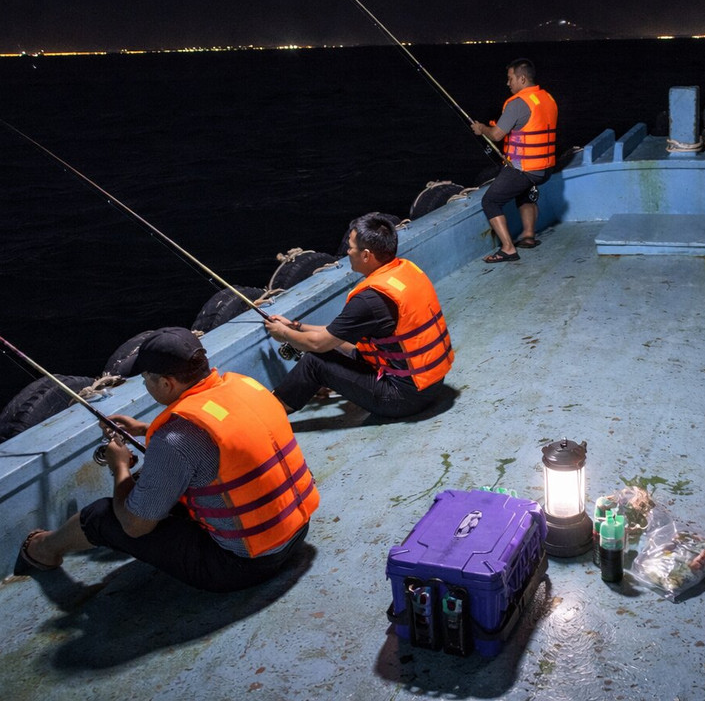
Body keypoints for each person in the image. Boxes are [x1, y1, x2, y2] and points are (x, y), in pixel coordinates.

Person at [16, 327, 318, 592]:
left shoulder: (176, 438)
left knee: (102, 515)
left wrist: (119, 467)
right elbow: (227, 433)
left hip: (242, 566)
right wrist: (145, 429)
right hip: (296, 532)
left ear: (166, 384)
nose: (146, 385)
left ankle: (41, 551)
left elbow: (135, 526)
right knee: (157, 485)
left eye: (146, 379)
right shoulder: (245, 386)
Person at [264, 212, 453, 418]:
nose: (347, 252)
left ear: (366, 255)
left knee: (314, 362)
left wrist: (283, 334)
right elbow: (335, 334)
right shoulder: (404, 272)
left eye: (351, 247)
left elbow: (319, 344)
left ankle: (270, 413)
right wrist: (297, 327)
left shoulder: (369, 300)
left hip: (403, 398)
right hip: (431, 383)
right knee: (345, 347)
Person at [471, 58, 558, 263]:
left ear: (522, 79)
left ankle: (508, 249)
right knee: (523, 192)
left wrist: (481, 128)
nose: (508, 83)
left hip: (526, 168)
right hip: (545, 168)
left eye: (510, 79)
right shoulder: (546, 98)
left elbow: (496, 135)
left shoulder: (518, 103)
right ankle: (528, 236)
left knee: (490, 201)